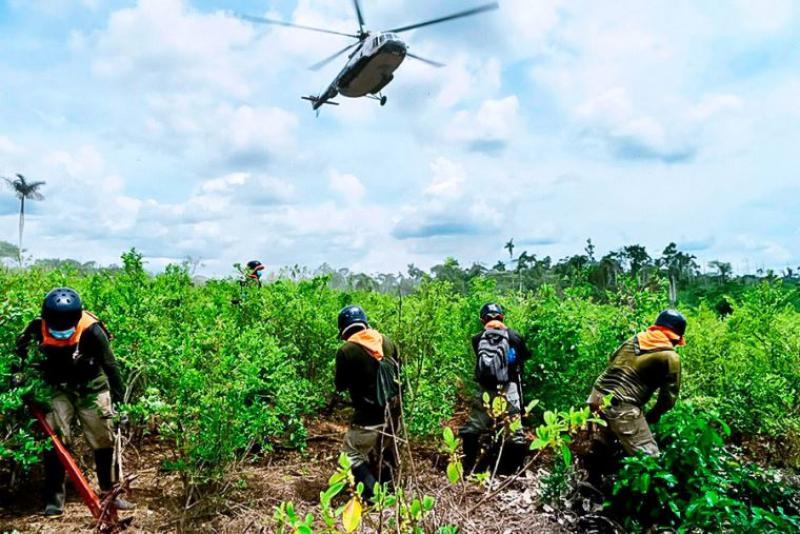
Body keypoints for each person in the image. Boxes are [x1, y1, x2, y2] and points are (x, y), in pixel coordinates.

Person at [11, 287, 133, 517]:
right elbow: (19, 355)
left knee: (103, 436)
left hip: (91, 385)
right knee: (56, 438)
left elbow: (111, 367)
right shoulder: (36, 327)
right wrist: (18, 374)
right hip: (57, 386)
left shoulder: (92, 330)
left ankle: (110, 492)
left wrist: (120, 403)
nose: (61, 333)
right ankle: (54, 499)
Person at [584, 309, 685, 483]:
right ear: (677, 338)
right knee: (649, 458)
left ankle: (591, 485)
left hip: (596, 396)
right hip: (621, 404)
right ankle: (649, 497)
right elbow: (668, 397)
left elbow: (612, 360)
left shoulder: (634, 340)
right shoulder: (671, 357)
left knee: (603, 444)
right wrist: (653, 414)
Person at [334, 305, 401, 501]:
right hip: (394, 413)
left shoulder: (346, 350)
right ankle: (391, 495)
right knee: (386, 451)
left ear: (344, 329)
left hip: (368, 417)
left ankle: (374, 498)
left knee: (351, 456)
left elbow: (340, 384)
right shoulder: (387, 341)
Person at [459, 303, 531, 475]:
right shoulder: (514, 336)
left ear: (482, 320)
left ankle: (468, 468)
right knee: (514, 431)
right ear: (502, 317)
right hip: (509, 388)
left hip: (485, 389)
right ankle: (511, 472)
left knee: (473, 427)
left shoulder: (477, 338)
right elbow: (524, 356)